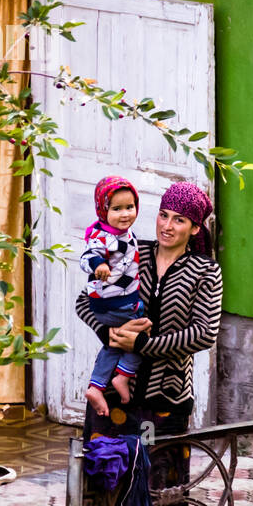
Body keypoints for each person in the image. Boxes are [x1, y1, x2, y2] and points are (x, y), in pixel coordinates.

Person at [75, 180, 223, 506]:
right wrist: (112, 333)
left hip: (166, 400)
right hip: (115, 401)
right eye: (163, 215)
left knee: (160, 492)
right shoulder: (128, 250)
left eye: (179, 220)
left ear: (195, 228)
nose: (167, 226)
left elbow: (204, 334)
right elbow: (85, 301)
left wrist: (144, 345)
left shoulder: (205, 272)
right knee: (104, 484)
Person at [80, 176, 144, 414]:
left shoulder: (122, 232)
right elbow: (87, 256)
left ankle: (96, 386)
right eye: (116, 209)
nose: (125, 214)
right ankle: (123, 375)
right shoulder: (102, 236)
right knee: (142, 332)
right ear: (102, 210)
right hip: (116, 304)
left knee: (113, 345)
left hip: (116, 301)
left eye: (130, 207)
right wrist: (99, 265)